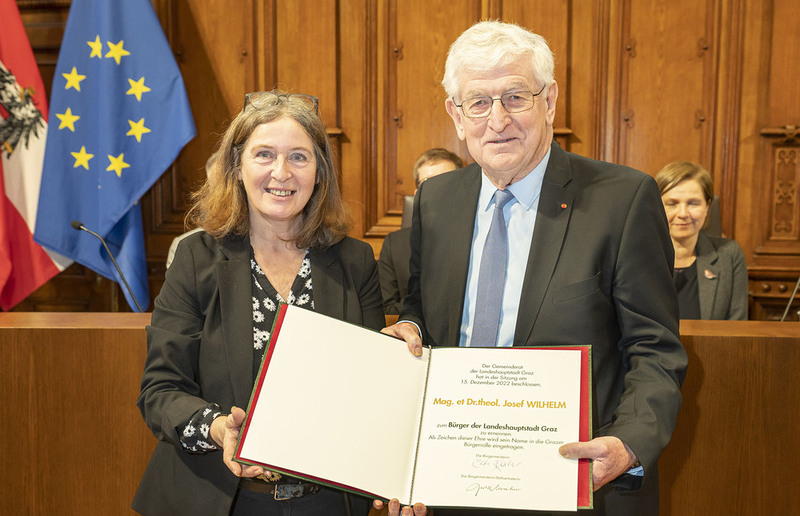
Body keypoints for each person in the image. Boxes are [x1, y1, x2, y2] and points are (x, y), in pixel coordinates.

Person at [376, 20, 687, 516]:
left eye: (515, 97)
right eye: (478, 102)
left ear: (550, 101)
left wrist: (628, 442)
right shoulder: (437, 201)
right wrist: (409, 329)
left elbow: (655, 349)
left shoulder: (623, 200)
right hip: (452, 487)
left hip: (576, 486)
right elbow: (423, 311)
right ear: (456, 116)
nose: (497, 120)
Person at [133, 90, 383, 516]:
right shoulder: (196, 258)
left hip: (329, 503)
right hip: (218, 498)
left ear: (320, 171)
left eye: (299, 157)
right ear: (237, 167)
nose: (281, 173)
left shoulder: (355, 262)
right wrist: (216, 428)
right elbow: (161, 390)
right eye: (264, 154)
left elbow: (376, 393)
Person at [656, 161, 748, 320]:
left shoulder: (729, 255)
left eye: (693, 203)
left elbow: (737, 327)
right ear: (656, 206)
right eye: (672, 204)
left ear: (707, 206)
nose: (683, 213)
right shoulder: (636, 257)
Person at [379, 148, 463, 314]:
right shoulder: (394, 245)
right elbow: (387, 311)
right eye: (428, 183)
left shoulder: (480, 238)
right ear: (417, 193)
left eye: (446, 181)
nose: (438, 191)